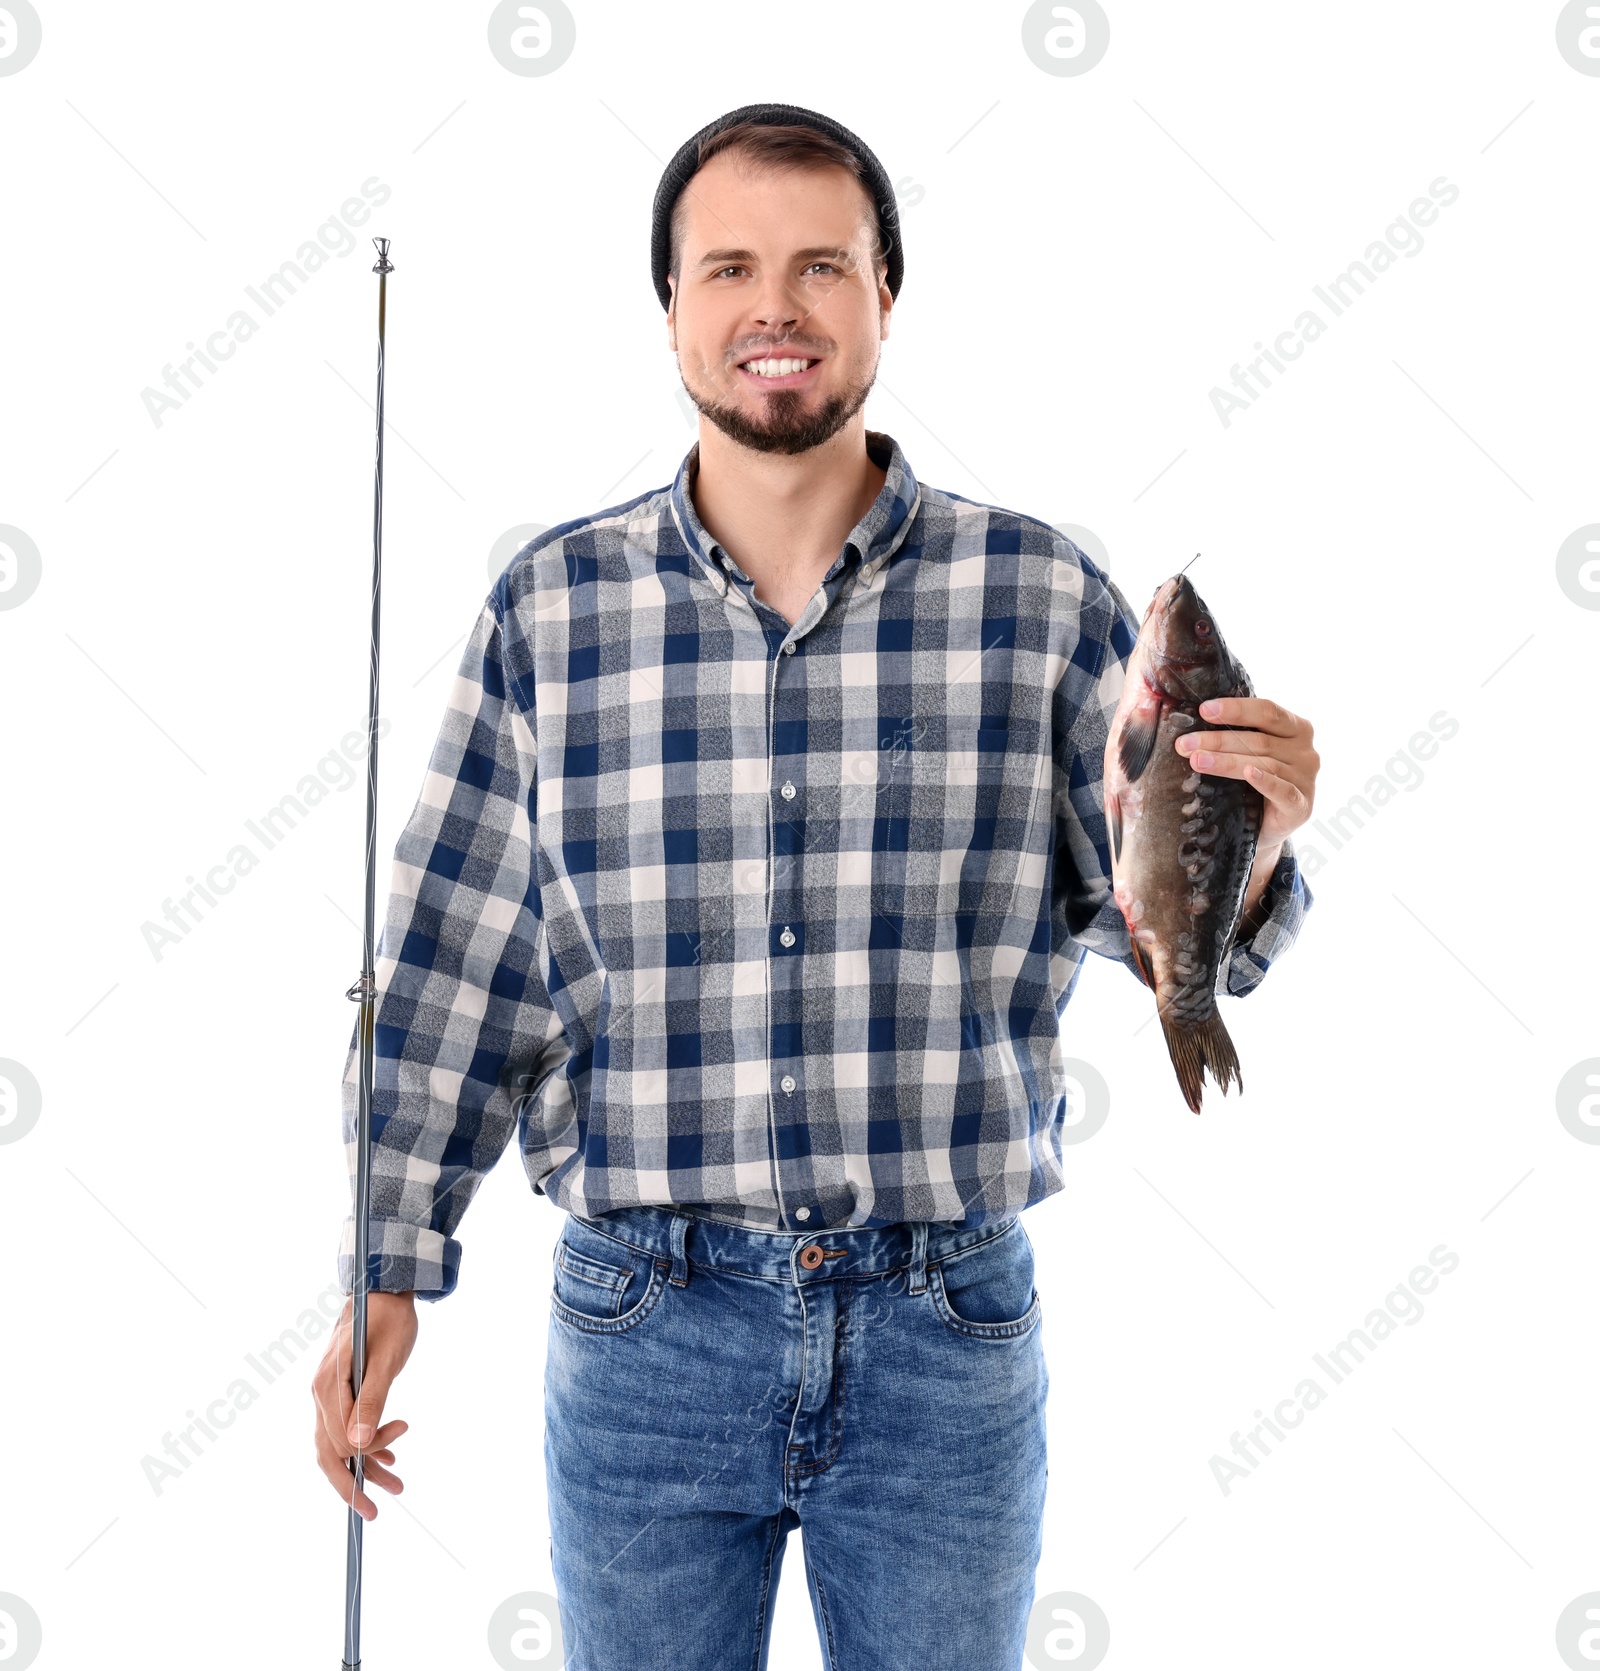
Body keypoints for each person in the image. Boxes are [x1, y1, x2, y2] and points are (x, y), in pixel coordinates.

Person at [311, 103, 1318, 1670]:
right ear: (673, 313)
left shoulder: (1040, 597)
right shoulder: (551, 608)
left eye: (819, 267)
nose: (771, 307)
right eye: (728, 268)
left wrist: (1262, 834)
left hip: (949, 1330)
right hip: (644, 1331)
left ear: (884, 298)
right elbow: (459, 959)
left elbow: (1156, 913)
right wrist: (388, 1262)